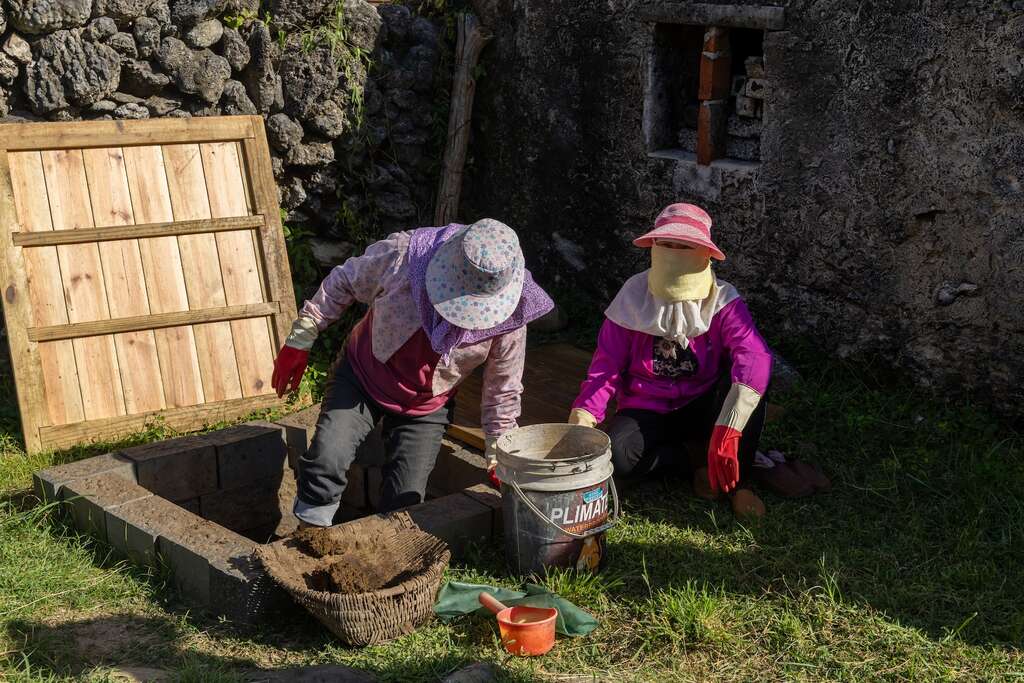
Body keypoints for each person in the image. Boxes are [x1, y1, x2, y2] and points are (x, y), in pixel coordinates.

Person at [273, 219, 554, 527]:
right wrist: (301, 338)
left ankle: (380, 559)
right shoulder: (404, 257)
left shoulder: (511, 315)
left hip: (426, 406)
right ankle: (308, 538)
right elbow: (345, 281)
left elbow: (503, 388)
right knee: (327, 458)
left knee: (404, 503)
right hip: (362, 378)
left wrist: (499, 452)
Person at [567, 204, 773, 518]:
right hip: (647, 406)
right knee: (619, 457)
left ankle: (739, 483)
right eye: (667, 244)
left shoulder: (722, 300)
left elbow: (754, 355)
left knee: (749, 389)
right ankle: (692, 460)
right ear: (653, 247)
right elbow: (606, 365)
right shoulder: (632, 297)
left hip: (703, 404)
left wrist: (729, 427)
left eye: (685, 246)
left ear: (705, 253)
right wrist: (584, 415)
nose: (674, 251)